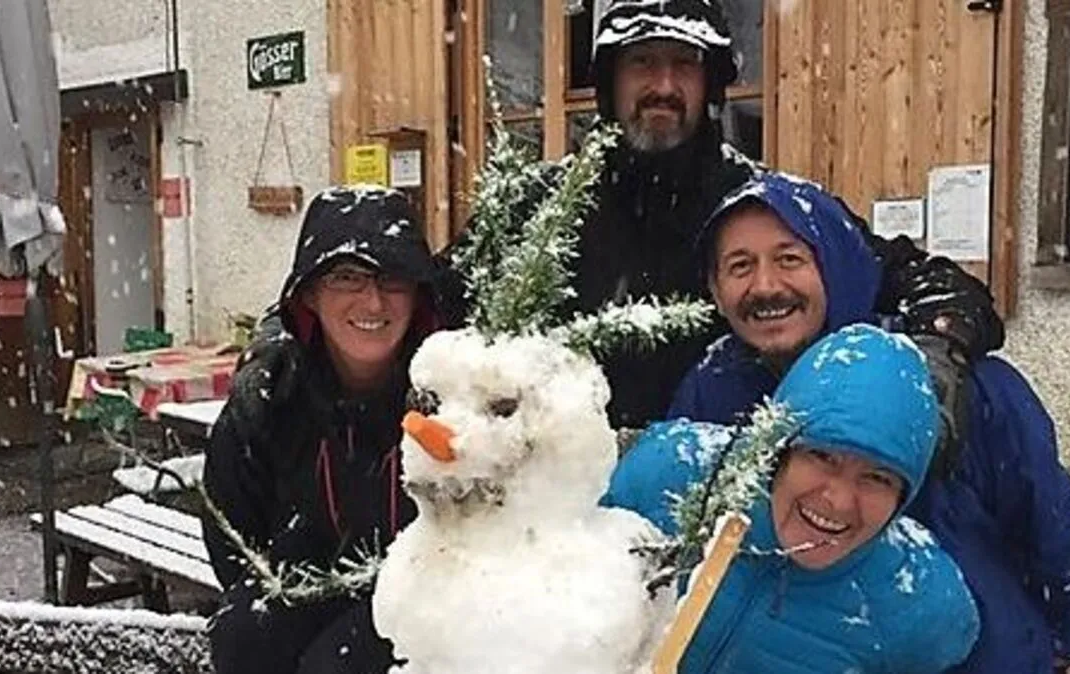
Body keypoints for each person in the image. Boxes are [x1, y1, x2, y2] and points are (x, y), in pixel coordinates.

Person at [434, 0, 1005, 433]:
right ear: (609, 84)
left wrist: (938, 352)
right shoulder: (536, 209)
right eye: (642, 63)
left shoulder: (764, 207)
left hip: (727, 510)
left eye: (684, 65)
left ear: (710, 85)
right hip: (562, 520)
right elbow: (427, 308)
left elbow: (929, 285)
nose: (663, 86)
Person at [670, 171, 1070, 673]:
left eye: (790, 259)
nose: (765, 286)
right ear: (716, 289)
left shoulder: (954, 381)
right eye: (740, 266)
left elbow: (1052, 519)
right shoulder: (713, 386)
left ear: (835, 265)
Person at [603, 323, 981, 673]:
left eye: (877, 478)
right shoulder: (669, 471)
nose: (838, 500)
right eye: (822, 456)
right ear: (778, 448)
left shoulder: (917, 602)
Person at [202, 186, 439, 674]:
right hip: (309, 588)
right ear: (308, 292)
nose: (373, 301)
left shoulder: (457, 395)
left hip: (429, 602)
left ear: (419, 293)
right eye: (347, 277)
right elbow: (236, 545)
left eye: (393, 278)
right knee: (245, 636)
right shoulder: (268, 403)